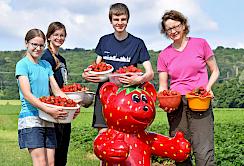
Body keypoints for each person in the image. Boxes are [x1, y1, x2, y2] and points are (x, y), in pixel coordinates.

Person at [157, 10, 220, 166]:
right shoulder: (164, 55)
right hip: (176, 104)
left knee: (203, 150)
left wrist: (209, 87)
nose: (173, 31)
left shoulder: (200, 44)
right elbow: (163, 86)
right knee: (180, 150)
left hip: (199, 100)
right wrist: (162, 100)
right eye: (168, 29)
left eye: (175, 26)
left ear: (184, 25)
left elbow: (215, 70)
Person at [82, 3, 154, 132]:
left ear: (128, 20)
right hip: (105, 94)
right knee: (103, 133)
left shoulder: (137, 43)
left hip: (128, 96)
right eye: (116, 19)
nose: (120, 23)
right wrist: (87, 74)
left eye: (123, 19)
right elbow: (96, 67)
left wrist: (138, 80)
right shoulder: (104, 41)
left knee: (127, 133)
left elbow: (150, 73)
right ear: (111, 20)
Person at [15, 28, 68, 166]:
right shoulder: (22, 65)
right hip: (31, 118)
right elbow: (27, 94)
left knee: (51, 163)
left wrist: (71, 105)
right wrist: (48, 109)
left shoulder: (45, 65)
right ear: (26, 43)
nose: (38, 48)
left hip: (48, 117)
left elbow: (56, 91)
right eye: (34, 44)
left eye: (41, 45)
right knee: (40, 163)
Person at [41, 22, 74, 166]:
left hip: (64, 106)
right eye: (56, 35)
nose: (59, 38)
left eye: (62, 35)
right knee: (54, 150)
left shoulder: (63, 60)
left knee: (62, 148)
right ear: (48, 37)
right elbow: (46, 86)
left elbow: (62, 85)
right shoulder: (46, 58)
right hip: (53, 109)